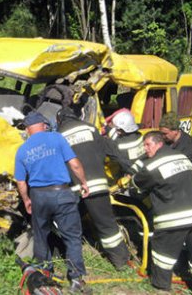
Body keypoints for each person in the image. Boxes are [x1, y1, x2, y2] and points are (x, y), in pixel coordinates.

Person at [14, 111, 92, 294]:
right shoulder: (56, 138)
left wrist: (26, 200)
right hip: (61, 193)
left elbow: (20, 181)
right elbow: (74, 164)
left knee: (41, 235)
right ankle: (76, 279)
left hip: (38, 197)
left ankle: (45, 274)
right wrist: (83, 183)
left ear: (27, 129)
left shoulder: (22, 150)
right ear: (43, 125)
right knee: (72, 236)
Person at [131, 131, 192, 294]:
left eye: (148, 144)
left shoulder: (152, 165)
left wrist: (130, 179)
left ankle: (160, 285)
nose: (145, 149)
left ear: (159, 144)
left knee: (163, 252)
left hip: (175, 218)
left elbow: (137, 183)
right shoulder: (182, 157)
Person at [56, 107, 131, 270]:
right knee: (106, 224)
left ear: (59, 121)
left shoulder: (58, 135)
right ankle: (121, 261)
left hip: (73, 189)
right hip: (97, 185)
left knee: (70, 224)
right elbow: (112, 151)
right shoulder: (90, 128)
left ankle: (71, 261)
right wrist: (130, 170)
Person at [159, 112, 192, 191]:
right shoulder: (168, 140)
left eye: (165, 133)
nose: (162, 136)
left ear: (175, 131)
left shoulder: (188, 147)